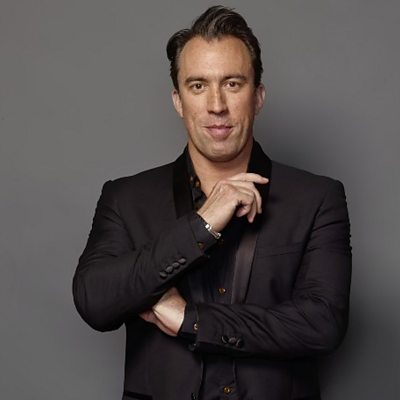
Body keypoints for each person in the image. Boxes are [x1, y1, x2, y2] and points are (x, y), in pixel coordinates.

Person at [73, 5, 351, 400]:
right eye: (198, 85)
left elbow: (322, 324)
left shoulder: (317, 198)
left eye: (233, 84)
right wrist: (201, 225)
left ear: (258, 96)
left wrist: (193, 320)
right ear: (178, 100)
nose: (216, 104)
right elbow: (94, 302)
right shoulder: (125, 199)